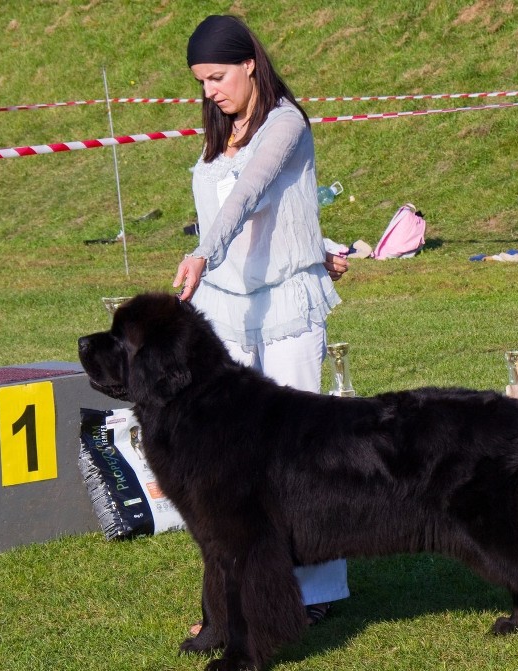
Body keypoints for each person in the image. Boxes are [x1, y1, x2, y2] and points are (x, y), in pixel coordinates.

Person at [172, 14, 350, 629]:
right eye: (200, 82)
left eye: (217, 77)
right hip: (226, 310)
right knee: (230, 466)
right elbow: (268, 212)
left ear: (251, 62)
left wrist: (201, 251)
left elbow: (253, 192)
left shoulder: (285, 123)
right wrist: (316, 241)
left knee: (303, 454)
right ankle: (236, 601)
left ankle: (320, 589)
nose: (210, 92)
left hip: (286, 311)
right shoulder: (217, 130)